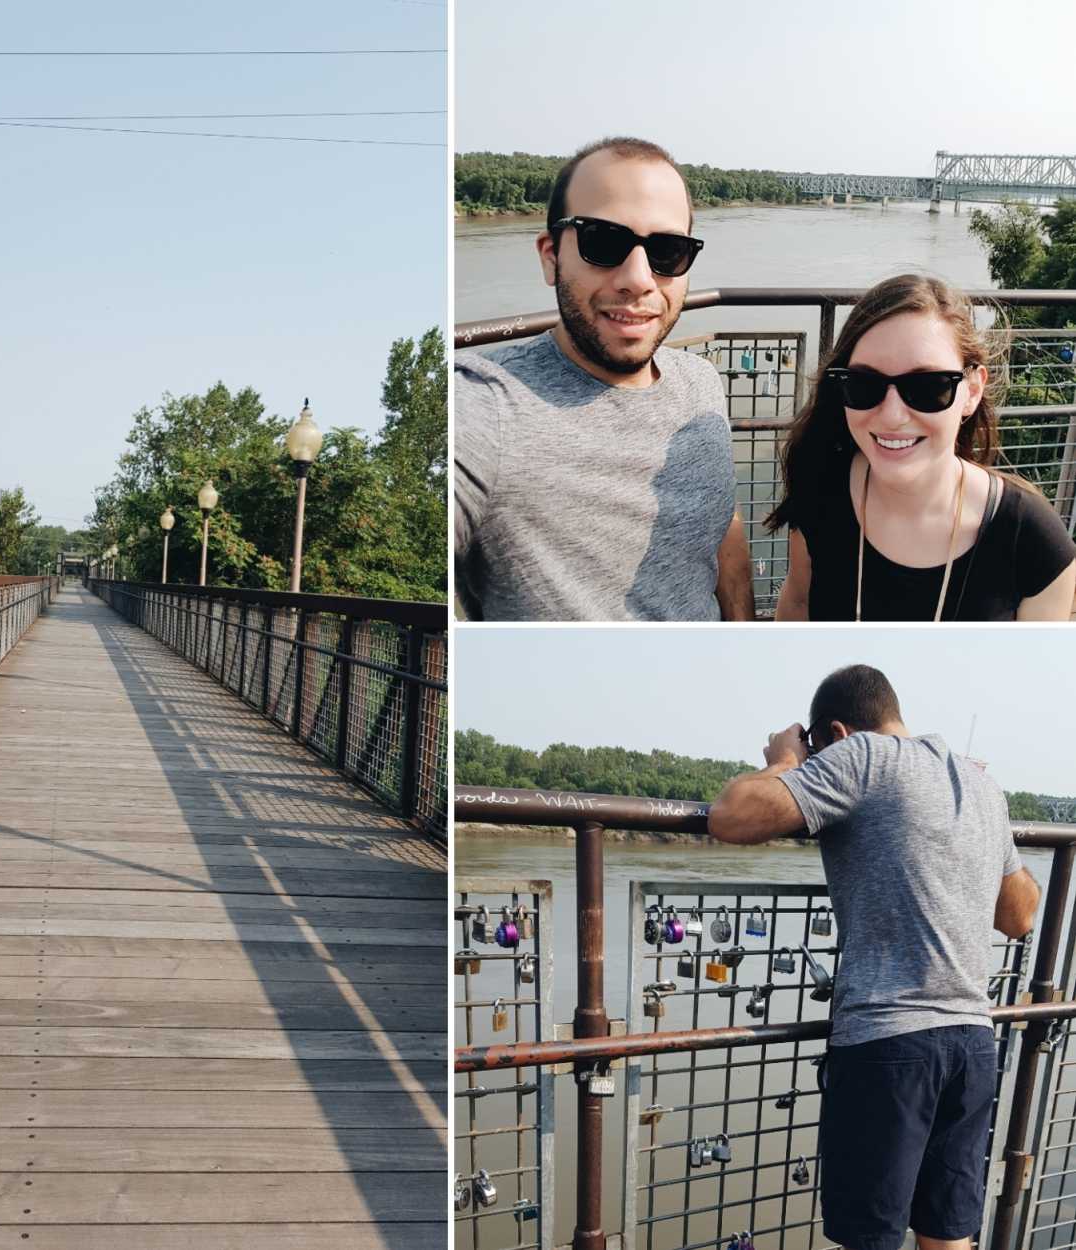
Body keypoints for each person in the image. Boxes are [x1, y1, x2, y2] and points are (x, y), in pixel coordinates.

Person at [707, 664, 1040, 1250]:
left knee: (871, 1238)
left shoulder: (862, 755)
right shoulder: (980, 784)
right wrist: (980, 854)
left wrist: (786, 761)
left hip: (889, 1045)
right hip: (971, 1041)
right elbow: (1020, 915)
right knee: (948, 1235)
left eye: (816, 748)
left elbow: (731, 816)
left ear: (836, 733)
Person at [455, 136, 754, 621]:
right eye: (604, 242)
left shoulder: (703, 385)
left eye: (668, 251)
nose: (638, 278)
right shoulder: (488, 406)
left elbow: (724, 531)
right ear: (551, 257)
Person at [768, 273, 1076, 621]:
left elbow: (1032, 673)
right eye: (864, 385)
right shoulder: (821, 489)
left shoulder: (1033, 539)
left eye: (929, 387)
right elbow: (797, 604)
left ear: (972, 391)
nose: (892, 415)